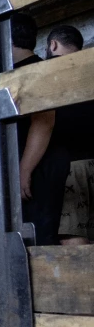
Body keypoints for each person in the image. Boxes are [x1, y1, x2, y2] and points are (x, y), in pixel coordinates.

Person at [9, 14, 71, 246]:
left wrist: (24, 170)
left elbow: (44, 121)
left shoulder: (34, 70)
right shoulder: (26, 69)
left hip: (40, 165)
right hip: (37, 164)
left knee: (40, 238)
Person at [45, 25, 93, 244]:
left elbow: (44, 125)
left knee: (74, 244)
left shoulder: (48, 74)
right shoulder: (89, 71)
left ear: (53, 45)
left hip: (72, 168)